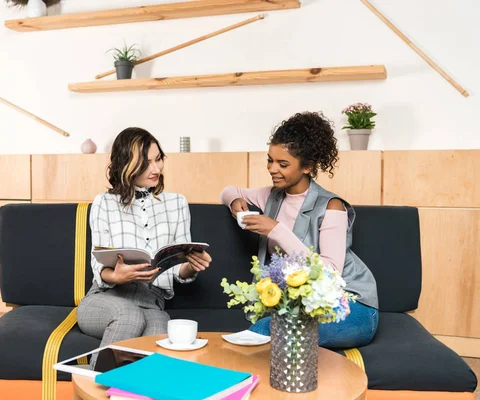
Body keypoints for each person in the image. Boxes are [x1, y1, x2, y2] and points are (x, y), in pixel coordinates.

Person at [220, 111, 378, 349]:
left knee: (270, 328)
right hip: (304, 304)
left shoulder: (331, 206)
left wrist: (277, 230)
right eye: (270, 160)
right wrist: (234, 203)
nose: (273, 169)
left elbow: (331, 272)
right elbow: (229, 190)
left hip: (351, 305)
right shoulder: (271, 196)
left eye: (283, 164)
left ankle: (231, 379)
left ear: (308, 167)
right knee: (278, 326)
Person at [78, 127, 212, 366]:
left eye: (158, 159)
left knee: (159, 330)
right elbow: (98, 265)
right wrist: (117, 276)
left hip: (153, 301)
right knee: (128, 315)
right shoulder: (104, 203)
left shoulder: (177, 203)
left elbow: (175, 268)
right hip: (105, 298)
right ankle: (94, 387)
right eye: (146, 163)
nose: (156, 169)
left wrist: (191, 266)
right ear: (127, 165)